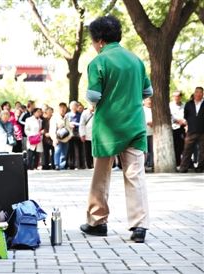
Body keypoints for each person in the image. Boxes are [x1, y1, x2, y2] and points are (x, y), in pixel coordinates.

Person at [80, 15, 152, 243]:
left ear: (99, 40)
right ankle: (139, 227)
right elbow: (147, 92)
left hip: (108, 128)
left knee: (101, 177)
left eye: (93, 41)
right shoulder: (135, 60)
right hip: (134, 126)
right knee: (135, 176)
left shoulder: (99, 61)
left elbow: (93, 95)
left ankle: (97, 222)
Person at [178, 87, 204, 173]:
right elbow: (185, 116)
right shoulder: (188, 104)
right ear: (194, 93)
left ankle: (200, 167)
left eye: (201, 92)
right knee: (187, 150)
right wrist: (186, 126)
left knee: (202, 150)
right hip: (191, 131)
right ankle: (183, 167)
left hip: (202, 131)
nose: (198, 94)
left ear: (203, 94)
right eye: (197, 92)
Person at [49, 103, 73, 170]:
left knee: (64, 153)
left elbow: (69, 128)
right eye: (61, 107)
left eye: (64, 108)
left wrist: (70, 135)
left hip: (66, 138)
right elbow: (52, 129)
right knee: (57, 151)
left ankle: (62, 166)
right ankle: (57, 165)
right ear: (58, 108)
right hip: (58, 138)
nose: (62, 109)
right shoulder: (54, 118)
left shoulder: (66, 117)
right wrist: (54, 138)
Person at [169, 91, 185, 167]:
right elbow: (169, 116)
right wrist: (176, 120)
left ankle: (182, 163)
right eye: (175, 96)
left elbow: (187, 115)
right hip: (172, 128)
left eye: (178, 96)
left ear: (180, 97)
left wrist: (184, 121)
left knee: (181, 146)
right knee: (174, 146)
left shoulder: (184, 105)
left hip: (182, 128)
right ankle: (176, 163)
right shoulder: (170, 105)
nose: (176, 97)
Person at [79, 104, 94, 169]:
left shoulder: (97, 111)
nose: (93, 107)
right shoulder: (85, 113)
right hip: (87, 135)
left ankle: (94, 164)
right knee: (87, 151)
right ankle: (89, 164)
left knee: (94, 150)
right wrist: (82, 134)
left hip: (95, 135)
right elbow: (81, 124)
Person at [143, 97, 153, 169]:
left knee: (152, 149)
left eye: (150, 100)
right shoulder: (142, 109)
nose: (149, 101)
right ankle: (144, 164)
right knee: (145, 150)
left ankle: (151, 164)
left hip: (153, 133)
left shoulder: (154, 109)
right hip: (145, 132)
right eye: (147, 100)